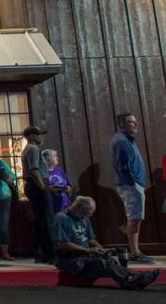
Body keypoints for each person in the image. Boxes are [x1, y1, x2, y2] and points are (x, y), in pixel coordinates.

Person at [54, 196, 161, 290]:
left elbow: (91, 240)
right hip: (71, 260)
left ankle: (136, 277)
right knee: (103, 263)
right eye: (86, 213)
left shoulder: (84, 218)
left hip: (86, 256)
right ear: (77, 207)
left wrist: (102, 250)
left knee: (108, 260)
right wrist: (87, 250)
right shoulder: (62, 219)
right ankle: (130, 280)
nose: (87, 216)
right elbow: (62, 244)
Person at [109, 113, 155, 263]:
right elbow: (123, 167)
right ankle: (135, 253)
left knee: (135, 217)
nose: (135, 124)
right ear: (122, 124)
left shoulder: (126, 139)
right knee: (135, 218)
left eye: (135, 122)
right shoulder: (122, 141)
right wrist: (134, 183)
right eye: (131, 122)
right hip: (130, 185)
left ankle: (134, 247)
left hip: (133, 184)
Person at [22, 124, 55, 264]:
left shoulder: (26, 149)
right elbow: (34, 170)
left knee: (39, 221)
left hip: (32, 186)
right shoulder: (34, 149)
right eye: (39, 134)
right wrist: (43, 187)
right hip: (37, 185)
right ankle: (49, 254)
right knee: (47, 221)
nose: (41, 137)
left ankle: (40, 253)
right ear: (31, 137)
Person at [43, 149, 72, 214]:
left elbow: (68, 185)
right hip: (51, 206)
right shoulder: (43, 172)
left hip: (64, 205)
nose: (57, 158)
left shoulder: (59, 170)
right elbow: (42, 187)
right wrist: (52, 189)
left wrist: (67, 188)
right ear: (49, 159)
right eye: (55, 156)